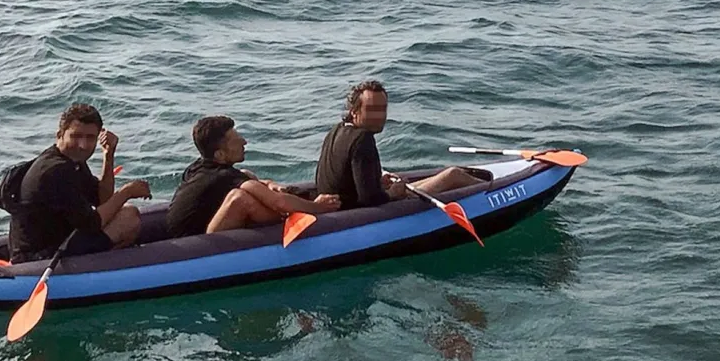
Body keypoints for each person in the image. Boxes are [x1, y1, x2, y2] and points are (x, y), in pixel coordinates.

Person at [8, 103, 151, 263]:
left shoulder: (71, 160)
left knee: (125, 211)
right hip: (41, 257)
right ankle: (105, 268)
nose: (83, 145)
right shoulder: (55, 171)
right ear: (59, 135)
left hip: (60, 238)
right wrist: (127, 192)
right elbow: (92, 223)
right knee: (128, 219)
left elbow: (102, 199)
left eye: (90, 138)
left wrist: (108, 154)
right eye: (76, 136)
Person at [313, 80, 483, 209]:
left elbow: (345, 180)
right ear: (354, 112)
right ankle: (493, 194)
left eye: (383, 108)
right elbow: (369, 200)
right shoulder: (362, 139)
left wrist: (376, 182)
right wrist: (392, 194)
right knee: (453, 175)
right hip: (357, 212)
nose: (380, 116)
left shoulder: (337, 130)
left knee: (448, 176)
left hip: (348, 204)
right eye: (372, 109)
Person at [167, 115, 340, 237]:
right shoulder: (223, 176)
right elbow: (278, 201)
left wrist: (268, 183)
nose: (244, 142)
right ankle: (284, 218)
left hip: (188, 231)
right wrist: (318, 207)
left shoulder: (197, 167)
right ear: (219, 155)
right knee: (240, 198)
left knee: (245, 176)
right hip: (194, 244)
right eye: (236, 140)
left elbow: (244, 178)